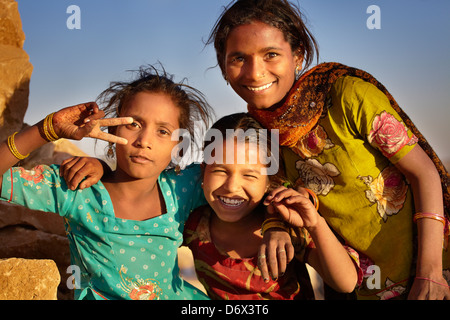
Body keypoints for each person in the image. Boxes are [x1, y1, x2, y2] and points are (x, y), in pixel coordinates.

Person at [205, 0, 450, 300]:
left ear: (298, 56)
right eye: (238, 58)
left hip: (432, 273)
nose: (255, 73)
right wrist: (277, 226)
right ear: (223, 67)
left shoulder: (345, 94)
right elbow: (287, 199)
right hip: (354, 288)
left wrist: (431, 273)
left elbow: (423, 173)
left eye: (271, 54)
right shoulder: (256, 137)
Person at [0, 65, 214, 300]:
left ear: (178, 146)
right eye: (133, 124)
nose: (144, 141)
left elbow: (245, 176)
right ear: (112, 129)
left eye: (163, 131)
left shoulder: (181, 188)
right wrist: (48, 129)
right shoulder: (77, 188)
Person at [183, 112, 360, 299]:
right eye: (220, 170)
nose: (232, 187)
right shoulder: (192, 226)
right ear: (204, 170)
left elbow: (346, 283)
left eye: (249, 175)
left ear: (269, 181)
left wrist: (315, 224)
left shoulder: (288, 227)